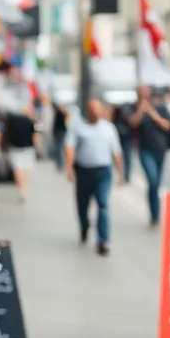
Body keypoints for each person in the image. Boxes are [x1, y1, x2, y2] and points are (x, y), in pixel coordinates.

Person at [65, 99, 125, 256]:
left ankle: (103, 240)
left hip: (103, 172)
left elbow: (116, 152)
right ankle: (84, 227)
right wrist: (69, 168)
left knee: (103, 204)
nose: (96, 113)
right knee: (83, 207)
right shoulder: (77, 127)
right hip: (84, 171)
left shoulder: (109, 128)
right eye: (93, 110)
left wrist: (121, 173)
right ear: (88, 112)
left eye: (98, 110)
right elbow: (69, 147)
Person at [129, 85, 170, 228]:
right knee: (152, 180)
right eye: (141, 94)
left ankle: (155, 214)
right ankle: (155, 214)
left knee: (156, 184)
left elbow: (167, 126)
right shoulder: (134, 108)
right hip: (145, 150)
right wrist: (141, 111)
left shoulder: (161, 109)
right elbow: (133, 123)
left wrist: (153, 114)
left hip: (160, 150)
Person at [3, 101, 40, 203]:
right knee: (24, 170)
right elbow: (35, 136)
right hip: (28, 148)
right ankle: (24, 189)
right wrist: (37, 148)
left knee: (18, 170)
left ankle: (21, 189)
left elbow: (7, 134)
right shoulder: (30, 121)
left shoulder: (12, 121)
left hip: (15, 148)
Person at [112, 101, 135, 183]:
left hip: (126, 136)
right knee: (119, 156)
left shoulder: (131, 109)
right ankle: (122, 176)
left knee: (126, 157)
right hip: (118, 135)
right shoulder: (114, 109)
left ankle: (125, 176)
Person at [51, 100, 68, 170]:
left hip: (58, 132)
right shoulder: (59, 113)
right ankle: (60, 163)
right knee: (60, 148)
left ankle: (60, 163)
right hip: (60, 132)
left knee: (59, 147)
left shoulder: (56, 113)